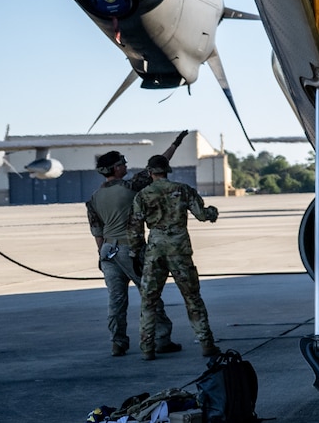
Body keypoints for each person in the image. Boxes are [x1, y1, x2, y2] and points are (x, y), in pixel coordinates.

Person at [135, 153, 222, 362]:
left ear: (150, 173)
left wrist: (137, 252)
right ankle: (206, 343)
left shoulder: (142, 195)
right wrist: (213, 213)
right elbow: (202, 214)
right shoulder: (183, 190)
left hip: (155, 251)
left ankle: (147, 348)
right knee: (192, 297)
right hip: (179, 249)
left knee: (149, 300)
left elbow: (134, 228)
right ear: (167, 171)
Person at [86, 150, 151, 357]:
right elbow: (156, 166)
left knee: (116, 300)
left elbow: (97, 232)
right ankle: (157, 339)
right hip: (129, 250)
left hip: (107, 252)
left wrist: (102, 255)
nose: (126, 166)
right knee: (150, 295)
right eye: (123, 163)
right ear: (115, 168)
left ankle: (117, 343)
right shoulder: (130, 187)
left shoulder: (94, 197)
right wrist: (175, 145)